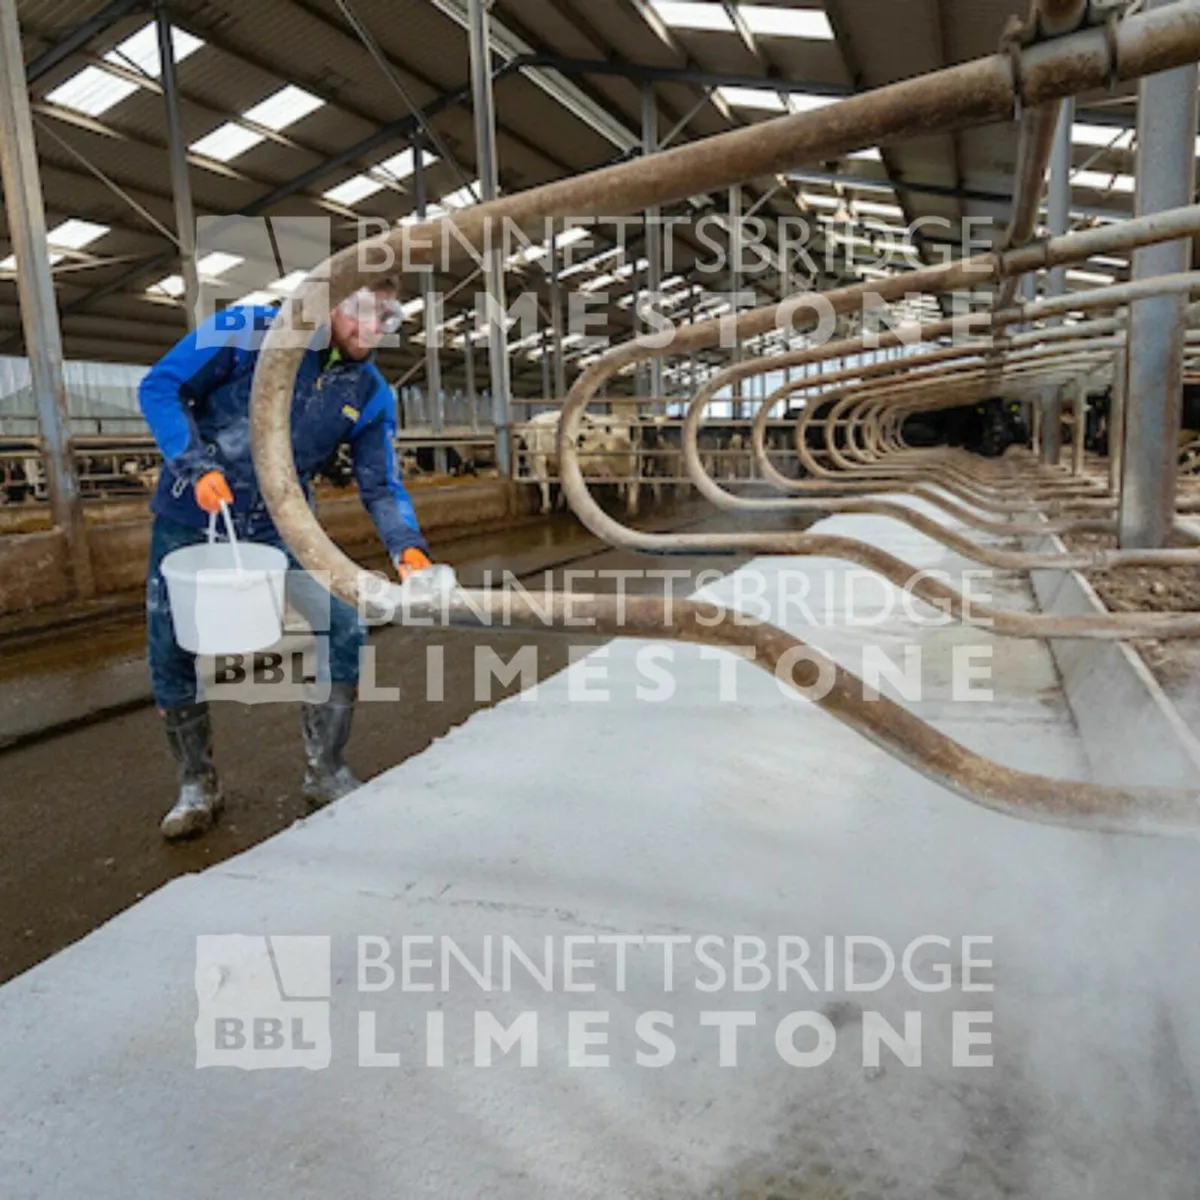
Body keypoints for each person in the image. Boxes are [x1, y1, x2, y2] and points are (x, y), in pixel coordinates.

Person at [138, 283, 431, 841]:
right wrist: (194, 466)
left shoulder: (369, 391)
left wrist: (408, 548)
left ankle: (326, 770)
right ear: (333, 298)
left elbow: (381, 485)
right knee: (171, 642)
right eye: (365, 312)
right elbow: (160, 386)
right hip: (192, 518)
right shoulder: (248, 328)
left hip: (281, 527)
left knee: (343, 624)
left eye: (389, 319)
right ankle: (197, 785)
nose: (374, 330)